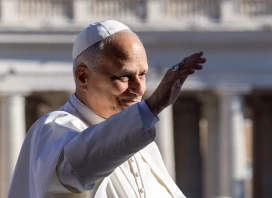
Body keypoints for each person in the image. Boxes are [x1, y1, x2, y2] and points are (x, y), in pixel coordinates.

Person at [8, 20, 205, 198]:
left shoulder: (144, 145)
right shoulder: (54, 128)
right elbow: (75, 168)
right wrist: (152, 106)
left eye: (142, 74)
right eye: (124, 77)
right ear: (83, 77)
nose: (139, 89)